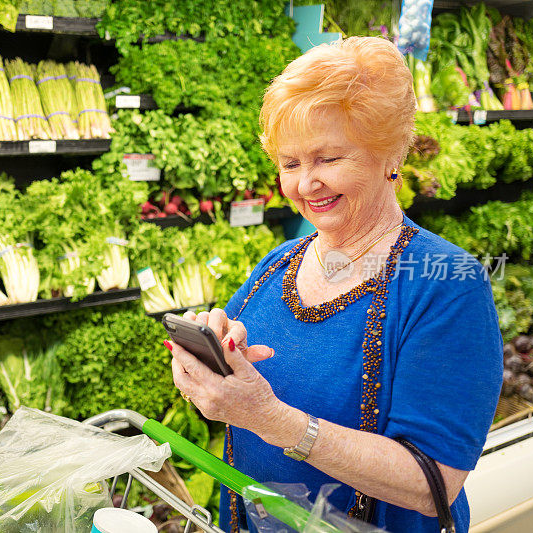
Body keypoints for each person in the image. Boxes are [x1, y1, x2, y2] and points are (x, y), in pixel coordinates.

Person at [165, 36, 503, 533]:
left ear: (387, 155)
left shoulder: (446, 284)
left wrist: (272, 419)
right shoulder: (279, 264)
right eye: (290, 163)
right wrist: (211, 357)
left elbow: (432, 485)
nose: (305, 184)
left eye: (327, 159)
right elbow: (235, 375)